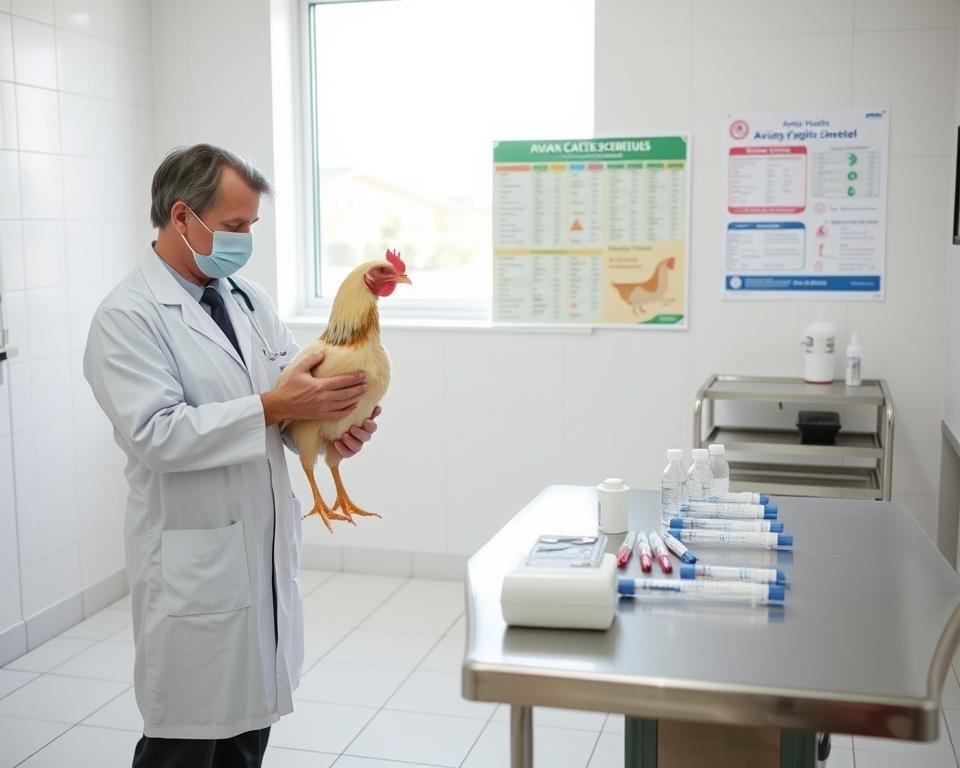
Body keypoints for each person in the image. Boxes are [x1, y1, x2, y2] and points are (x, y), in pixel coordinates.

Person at [83, 144, 379, 767]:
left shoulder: (247, 299)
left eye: (252, 226)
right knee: (185, 742)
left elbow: (292, 394)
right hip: (195, 563)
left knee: (246, 733)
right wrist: (274, 407)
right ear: (182, 216)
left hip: (259, 554)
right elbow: (157, 435)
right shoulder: (127, 318)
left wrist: (330, 429)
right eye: (235, 226)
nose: (246, 240)